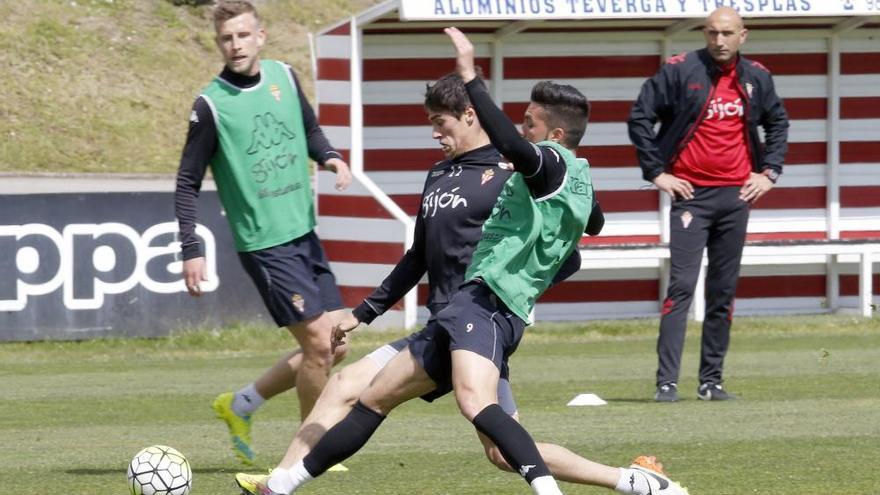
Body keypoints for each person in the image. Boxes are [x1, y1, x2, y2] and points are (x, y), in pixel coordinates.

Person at [234, 27, 687, 495]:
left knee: (491, 438)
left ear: (469, 116)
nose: (434, 132)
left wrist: (522, 287)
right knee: (357, 388)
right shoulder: (440, 174)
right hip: (447, 320)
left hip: (482, 318)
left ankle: (622, 481)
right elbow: (419, 255)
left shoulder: (516, 170)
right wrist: (363, 313)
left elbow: (576, 232)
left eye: (441, 122)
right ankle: (280, 481)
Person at [173, 0, 352, 464]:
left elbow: (309, 130)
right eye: (226, 38)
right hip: (266, 245)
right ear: (219, 44)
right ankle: (308, 455)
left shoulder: (284, 77)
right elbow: (187, 181)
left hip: (303, 232)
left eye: (243, 35)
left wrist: (330, 156)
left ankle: (240, 405)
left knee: (337, 343)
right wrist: (190, 248)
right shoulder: (210, 105)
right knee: (317, 344)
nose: (235, 45)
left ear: (261, 36)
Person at [627, 7, 789, 403]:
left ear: (743, 36)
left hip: (735, 197)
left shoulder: (757, 77)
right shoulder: (680, 71)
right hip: (690, 197)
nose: (720, 41)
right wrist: (657, 173)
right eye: (713, 33)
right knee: (681, 287)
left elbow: (778, 122)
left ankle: (710, 382)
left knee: (722, 290)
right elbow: (639, 117)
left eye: (728, 33)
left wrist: (769, 173)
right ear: (705, 33)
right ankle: (667, 382)